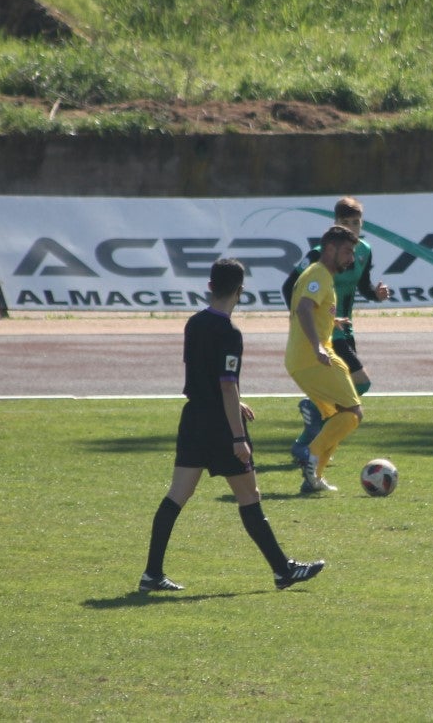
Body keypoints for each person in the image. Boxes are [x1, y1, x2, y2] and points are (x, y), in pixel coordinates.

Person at [139, 258, 325, 592]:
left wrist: (235, 401)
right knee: (249, 496)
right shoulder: (229, 332)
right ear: (240, 291)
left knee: (177, 495)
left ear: (210, 286)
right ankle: (283, 571)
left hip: (193, 418)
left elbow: (204, 376)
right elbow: (226, 384)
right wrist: (238, 436)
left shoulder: (194, 323)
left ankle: (152, 574)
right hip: (221, 426)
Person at [282, 196, 391, 465]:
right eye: (346, 223)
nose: (352, 228)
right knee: (361, 383)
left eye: (357, 223)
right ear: (336, 223)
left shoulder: (362, 251)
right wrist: (300, 318)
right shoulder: (320, 254)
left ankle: (309, 439)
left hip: (344, 328)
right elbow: (289, 286)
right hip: (328, 332)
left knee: (352, 388)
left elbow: (362, 285)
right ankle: (313, 419)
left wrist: (376, 294)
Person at [285, 225, 365, 493]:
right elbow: (304, 308)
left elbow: (313, 309)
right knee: (353, 412)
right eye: (347, 251)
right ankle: (310, 453)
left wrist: (332, 320)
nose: (351, 258)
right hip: (314, 358)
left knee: (340, 416)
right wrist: (318, 346)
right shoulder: (318, 273)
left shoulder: (320, 275)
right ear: (330, 249)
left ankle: (313, 479)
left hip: (301, 360)